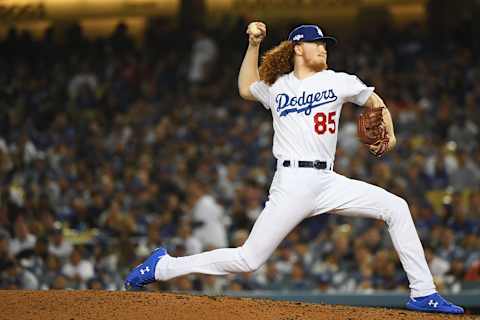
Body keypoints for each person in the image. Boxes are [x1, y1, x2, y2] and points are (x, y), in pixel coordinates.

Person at [125, 22, 463, 314]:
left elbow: (375, 102)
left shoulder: (339, 81)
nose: (323, 48)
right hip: (292, 181)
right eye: (317, 43)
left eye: (325, 44)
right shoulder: (278, 86)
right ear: (299, 48)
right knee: (248, 260)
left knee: (396, 207)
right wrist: (254, 45)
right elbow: (245, 87)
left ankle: (424, 293)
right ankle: (164, 266)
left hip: (327, 180)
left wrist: (390, 136)